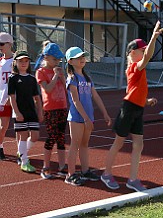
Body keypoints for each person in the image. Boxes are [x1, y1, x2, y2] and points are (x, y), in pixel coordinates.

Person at [101, 21, 163, 192]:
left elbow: (136, 92)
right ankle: (106, 174)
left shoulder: (139, 69)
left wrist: (146, 101)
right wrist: (153, 37)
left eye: (144, 50)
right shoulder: (134, 68)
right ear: (132, 53)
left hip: (137, 108)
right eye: (142, 50)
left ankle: (133, 179)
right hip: (128, 109)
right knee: (118, 143)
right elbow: (148, 57)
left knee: (138, 144)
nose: (144, 53)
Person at [65, 46, 112, 186]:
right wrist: (85, 118)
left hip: (88, 116)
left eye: (83, 57)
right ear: (70, 61)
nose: (82, 59)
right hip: (77, 117)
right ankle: (70, 174)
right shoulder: (72, 79)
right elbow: (75, 100)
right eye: (78, 57)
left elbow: (95, 95)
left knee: (85, 145)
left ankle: (85, 171)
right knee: (75, 145)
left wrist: (105, 113)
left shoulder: (87, 77)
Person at [35, 42, 68, 179]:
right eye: (55, 59)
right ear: (46, 57)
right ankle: (46, 166)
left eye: (59, 59)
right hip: (51, 109)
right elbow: (47, 89)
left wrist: (62, 77)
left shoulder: (59, 72)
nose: (57, 62)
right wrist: (55, 76)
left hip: (62, 107)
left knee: (61, 138)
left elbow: (66, 89)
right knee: (51, 137)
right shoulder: (41, 72)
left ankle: (62, 166)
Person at [8, 50, 44, 172]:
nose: (23, 63)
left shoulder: (32, 79)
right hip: (20, 112)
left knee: (35, 136)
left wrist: (40, 111)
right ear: (15, 62)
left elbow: (37, 97)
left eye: (26, 61)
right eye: (20, 61)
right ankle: (24, 162)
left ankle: (21, 152)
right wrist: (17, 112)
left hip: (31, 112)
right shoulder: (13, 78)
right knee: (23, 136)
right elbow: (12, 97)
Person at [0, 32, 14, 160]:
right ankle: (0, 147)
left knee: (22, 127)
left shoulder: (17, 60)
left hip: (16, 98)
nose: (0, 46)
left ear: (9, 44)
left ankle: (23, 153)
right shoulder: (0, 61)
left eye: (2, 44)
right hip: (2, 99)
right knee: (3, 126)